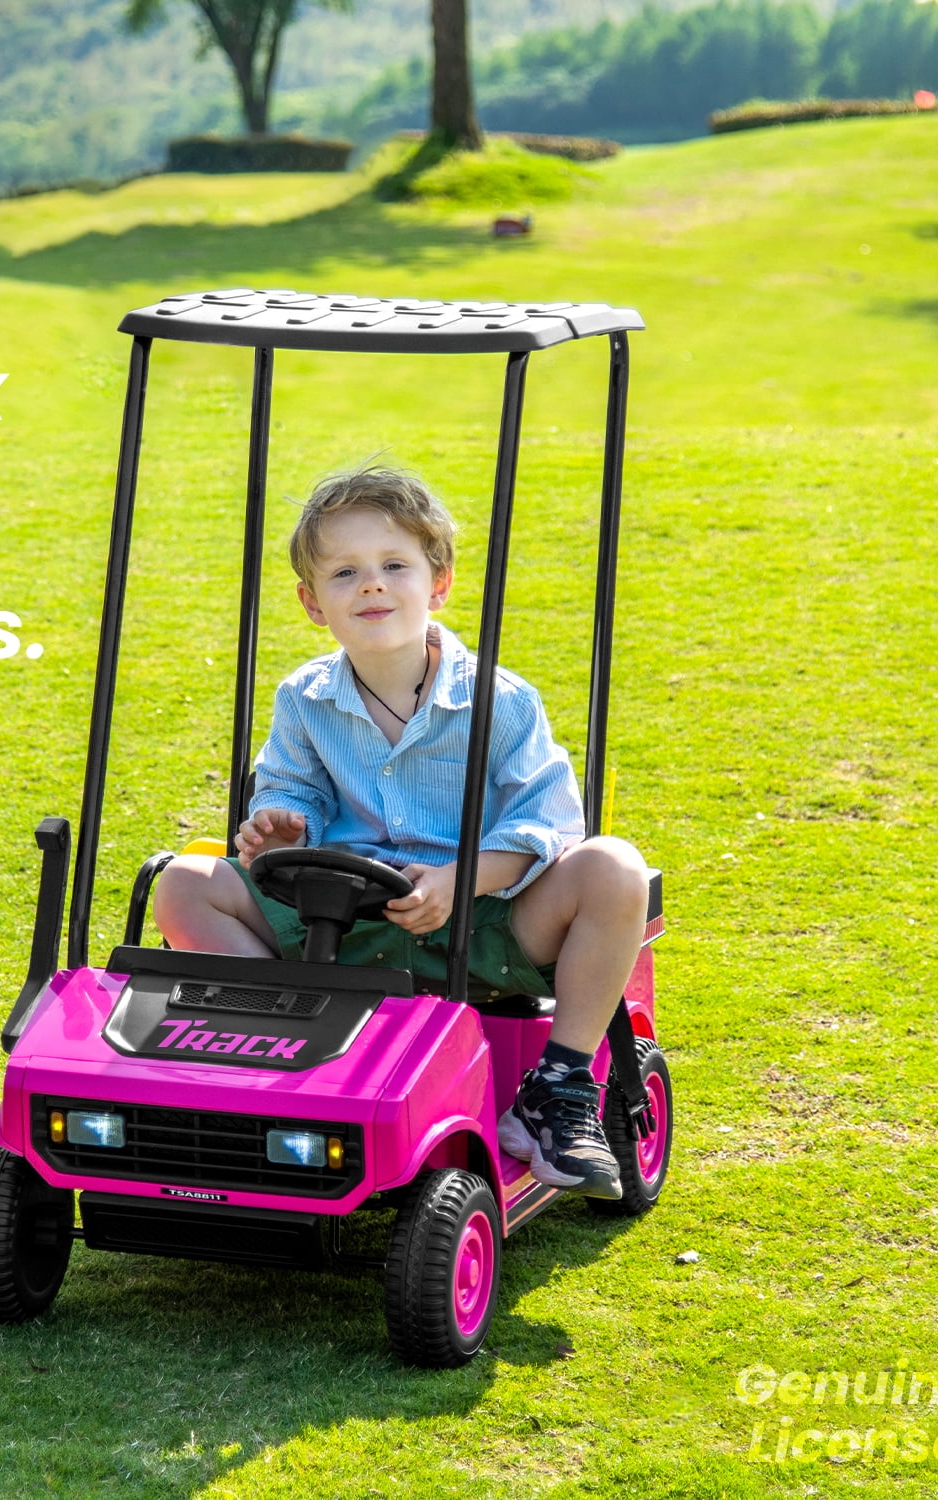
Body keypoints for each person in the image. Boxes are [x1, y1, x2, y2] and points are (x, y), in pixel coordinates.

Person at [153, 466, 649, 1200]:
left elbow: (547, 822)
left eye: (394, 566)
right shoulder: (304, 698)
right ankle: (288, 1039)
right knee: (183, 882)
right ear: (312, 603)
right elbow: (290, 792)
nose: (371, 586)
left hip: (482, 924)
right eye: (345, 573)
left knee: (614, 866)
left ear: (438, 583)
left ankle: (558, 1088)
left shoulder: (500, 700)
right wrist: (280, 827)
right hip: (339, 925)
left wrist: (460, 879)